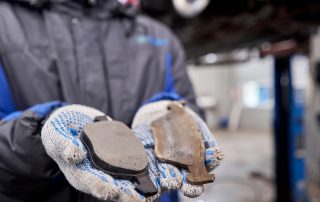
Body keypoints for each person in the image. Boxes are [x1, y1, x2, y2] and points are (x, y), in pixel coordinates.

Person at [0, 0, 223, 201]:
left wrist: (171, 113)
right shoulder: (4, 24)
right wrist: (39, 135)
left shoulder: (161, 37)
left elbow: (189, 111)